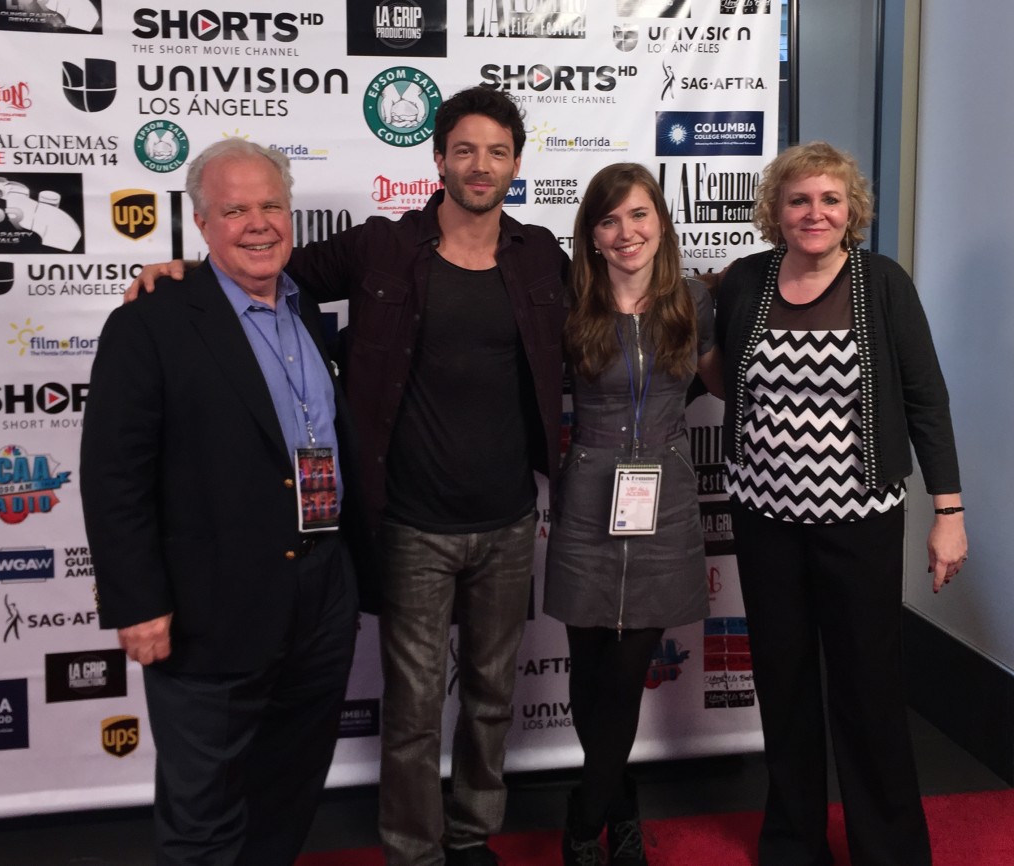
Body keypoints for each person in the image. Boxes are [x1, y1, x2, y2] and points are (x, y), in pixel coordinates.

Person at [125, 86, 568, 866]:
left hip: (508, 522)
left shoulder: (541, 258)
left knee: (495, 700)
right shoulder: (380, 248)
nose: (480, 164)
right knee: (414, 707)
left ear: (517, 165)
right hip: (409, 525)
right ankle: (413, 849)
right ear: (437, 160)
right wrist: (184, 271)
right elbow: (259, 271)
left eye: (497, 151)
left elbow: (610, 315)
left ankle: (470, 837)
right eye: (463, 149)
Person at [81, 138, 363, 866]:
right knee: (203, 806)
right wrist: (136, 602)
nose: (257, 223)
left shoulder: (308, 313)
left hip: (320, 592)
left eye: (271, 205)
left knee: (289, 785)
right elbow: (114, 475)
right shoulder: (152, 320)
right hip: (210, 605)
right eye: (234, 210)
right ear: (202, 224)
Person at [713, 141, 967, 866]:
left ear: (851, 209)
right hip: (764, 518)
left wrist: (948, 514)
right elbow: (721, 371)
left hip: (859, 522)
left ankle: (886, 847)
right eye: (799, 200)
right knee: (783, 685)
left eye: (829, 200)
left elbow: (927, 401)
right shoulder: (748, 282)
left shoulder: (880, 283)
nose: (814, 213)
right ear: (777, 211)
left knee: (868, 689)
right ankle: (793, 841)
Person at [543, 163, 720, 866]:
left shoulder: (695, 301)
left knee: (625, 670)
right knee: (587, 666)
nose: (627, 232)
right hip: (588, 492)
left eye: (639, 215)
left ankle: (584, 816)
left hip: (666, 495)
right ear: (591, 234)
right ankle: (621, 804)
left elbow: (726, 378)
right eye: (610, 220)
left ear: (661, 223)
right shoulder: (566, 302)